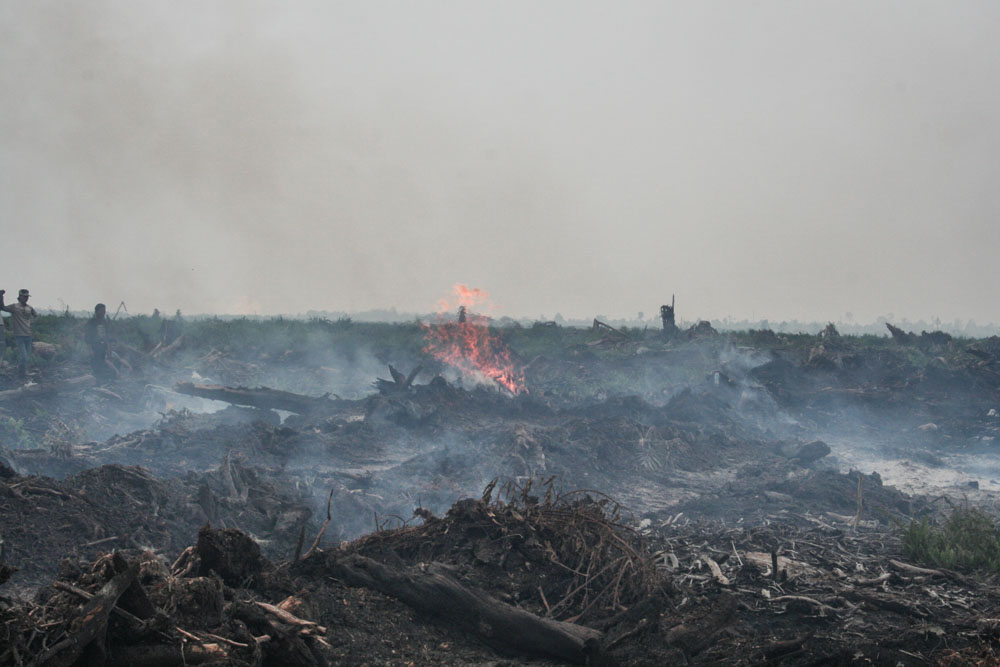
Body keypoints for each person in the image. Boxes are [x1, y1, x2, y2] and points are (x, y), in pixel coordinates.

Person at [0, 289, 38, 377]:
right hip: (19, 335)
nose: (26, 298)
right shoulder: (14, 307)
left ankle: (22, 372)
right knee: (23, 356)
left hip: (28, 334)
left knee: (27, 356)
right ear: (20, 297)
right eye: (24, 297)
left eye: (27, 297)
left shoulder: (29, 307)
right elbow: (2, 307)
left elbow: (35, 315)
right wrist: (1, 296)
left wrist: (31, 323)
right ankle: (22, 373)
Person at [84, 303, 119, 381]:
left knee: (103, 364)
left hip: (102, 347)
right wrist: (90, 350)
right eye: (102, 311)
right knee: (95, 366)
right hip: (94, 347)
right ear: (96, 311)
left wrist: (109, 349)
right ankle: (95, 381)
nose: (104, 313)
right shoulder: (91, 322)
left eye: (104, 311)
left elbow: (107, 336)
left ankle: (101, 381)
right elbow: (87, 337)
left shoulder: (104, 322)